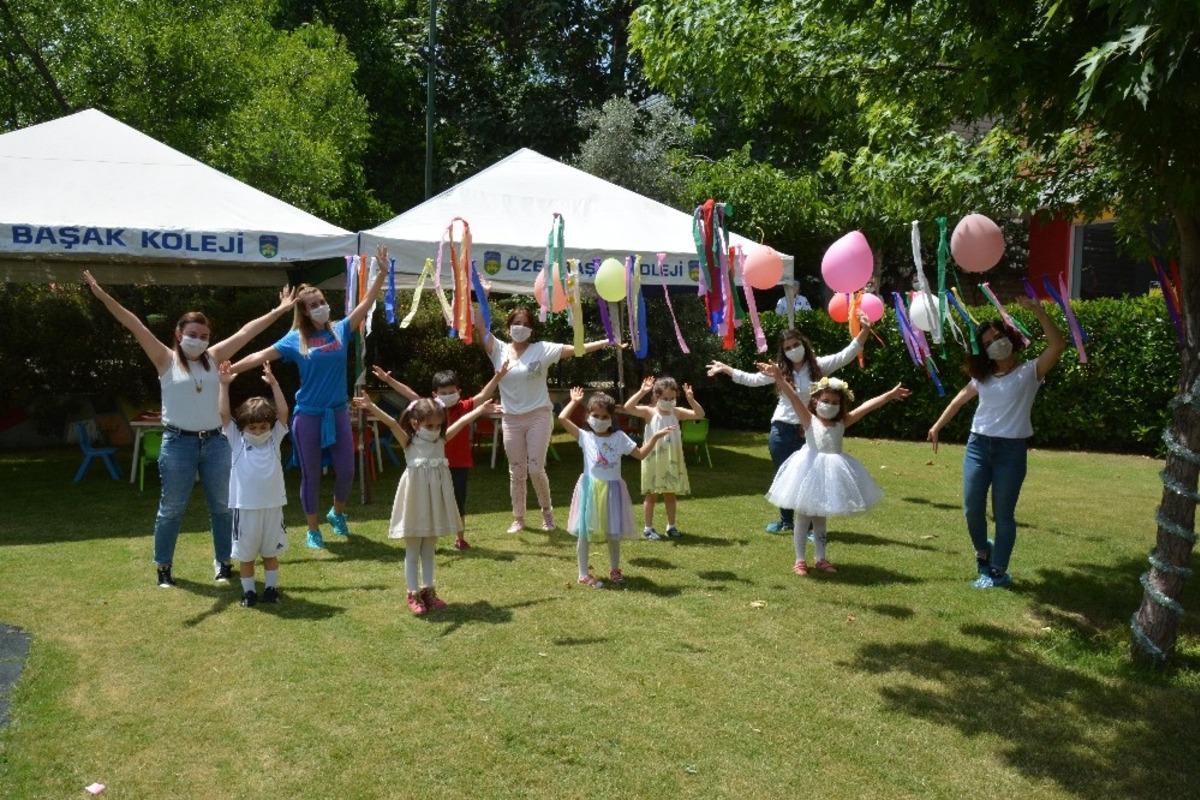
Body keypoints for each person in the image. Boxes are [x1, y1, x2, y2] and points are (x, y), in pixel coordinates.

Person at [82, 270, 296, 588]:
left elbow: (246, 332)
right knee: (172, 508)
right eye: (192, 333)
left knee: (223, 508)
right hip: (178, 443)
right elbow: (133, 323)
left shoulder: (214, 357)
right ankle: (164, 567)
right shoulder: (164, 359)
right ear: (179, 333)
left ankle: (223, 562)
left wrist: (279, 311)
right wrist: (100, 294)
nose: (198, 340)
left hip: (216, 443)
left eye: (204, 335)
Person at [231, 247, 388, 550]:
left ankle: (337, 512)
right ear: (303, 311)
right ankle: (313, 530)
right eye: (313, 304)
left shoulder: (342, 329)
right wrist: (231, 368)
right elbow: (260, 354)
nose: (320, 306)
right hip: (308, 415)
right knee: (311, 474)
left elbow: (367, 302)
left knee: (347, 469)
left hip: (338, 411)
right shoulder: (295, 339)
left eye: (322, 302)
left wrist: (380, 273)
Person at [927, 297, 1067, 589]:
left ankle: (998, 571)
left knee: (1003, 514)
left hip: (1011, 451)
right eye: (989, 341)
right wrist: (938, 426)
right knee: (971, 509)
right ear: (984, 350)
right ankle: (983, 555)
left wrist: (1039, 312)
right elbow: (959, 400)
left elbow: (1057, 345)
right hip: (978, 446)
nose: (996, 343)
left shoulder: (1031, 371)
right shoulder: (983, 377)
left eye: (999, 336)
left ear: (1010, 338)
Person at [707, 320, 872, 534]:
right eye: (787, 348)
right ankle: (786, 521)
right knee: (785, 475)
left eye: (796, 344)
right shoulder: (780, 371)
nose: (793, 350)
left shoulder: (819, 366)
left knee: (813, 478)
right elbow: (752, 379)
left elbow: (847, 354)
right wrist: (727, 369)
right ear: (783, 352)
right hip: (782, 430)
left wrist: (865, 331)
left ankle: (813, 527)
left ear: (803, 344)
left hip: (811, 431)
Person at [475, 305, 619, 534]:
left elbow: (576, 349)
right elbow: (480, 326)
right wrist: (484, 295)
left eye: (525, 324)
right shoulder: (498, 349)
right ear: (509, 326)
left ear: (531, 329)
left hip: (538, 416)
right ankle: (518, 518)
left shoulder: (542, 349)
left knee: (535, 468)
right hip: (511, 419)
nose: (520, 328)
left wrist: (606, 342)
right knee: (516, 470)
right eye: (516, 323)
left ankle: (547, 513)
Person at [352, 393, 499, 615]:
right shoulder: (408, 442)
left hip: (433, 503)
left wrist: (480, 410)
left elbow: (462, 421)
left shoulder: (442, 440)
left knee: (429, 548)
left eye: (438, 425)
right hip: (414, 502)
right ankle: (412, 593)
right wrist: (372, 406)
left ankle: (429, 591)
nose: (434, 430)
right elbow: (391, 423)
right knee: (413, 550)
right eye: (429, 425)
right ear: (415, 422)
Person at [762, 369, 910, 575]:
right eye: (826, 400)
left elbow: (867, 407)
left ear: (841, 405)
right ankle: (800, 560)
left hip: (831, 474)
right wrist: (779, 377)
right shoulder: (809, 420)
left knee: (821, 517)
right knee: (803, 517)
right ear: (815, 401)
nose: (829, 405)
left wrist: (889, 395)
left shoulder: (841, 423)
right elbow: (794, 398)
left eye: (834, 402)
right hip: (808, 471)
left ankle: (821, 558)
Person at [370, 362, 509, 550]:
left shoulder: (465, 406)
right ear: (435, 394)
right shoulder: (430, 409)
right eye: (443, 392)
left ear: (459, 391)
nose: (447, 395)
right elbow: (409, 394)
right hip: (431, 467)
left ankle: (460, 538)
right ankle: (428, 538)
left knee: (458, 501)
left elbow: (483, 396)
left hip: (459, 463)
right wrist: (388, 380)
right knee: (429, 500)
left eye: (451, 391)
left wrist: (498, 377)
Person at [558, 388, 677, 588]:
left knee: (613, 533)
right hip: (591, 491)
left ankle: (615, 569)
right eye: (595, 415)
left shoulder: (619, 437)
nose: (599, 420)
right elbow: (562, 418)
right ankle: (582, 573)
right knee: (585, 533)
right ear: (588, 415)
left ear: (612, 418)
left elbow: (639, 454)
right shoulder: (584, 436)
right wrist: (574, 401)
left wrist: (654, 438)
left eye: (605, 416)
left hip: (613, 492)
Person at [217, 360, 289, 608]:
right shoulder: (236, 441)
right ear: (243, 427)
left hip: (272, 508)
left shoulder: (274, 439)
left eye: (263, 427)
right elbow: (224, 415)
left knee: (271, 553)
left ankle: (271, 589)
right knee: (246, 556)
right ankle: (248, 592)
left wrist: (274, 383)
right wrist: (224, 385)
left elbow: (283, 413)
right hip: (244, 509)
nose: (258, 432)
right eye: (253, 427)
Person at [622, 375, 705, 540]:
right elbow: (628, 407)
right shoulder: (649, 412)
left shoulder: (677, 412)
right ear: (656, 396)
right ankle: (648, 528)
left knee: (670, 494)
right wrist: (641, 391)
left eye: (672, 398)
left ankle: (671, 526)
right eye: (665, 398)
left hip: (671, 458)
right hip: (653, 458)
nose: (669, 401)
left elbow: (699, 414)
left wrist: (691, 399)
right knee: (651, 494)